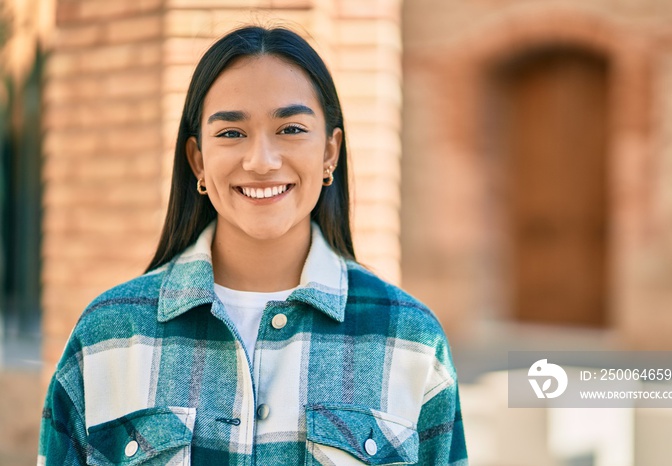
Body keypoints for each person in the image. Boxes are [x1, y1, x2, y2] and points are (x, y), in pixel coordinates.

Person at [38, 25, 468, 465]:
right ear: (198, 161)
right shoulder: (108, 337)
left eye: (291, 128)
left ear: (330, 153)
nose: (261, 161)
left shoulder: (410, 341)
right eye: (231, 133)